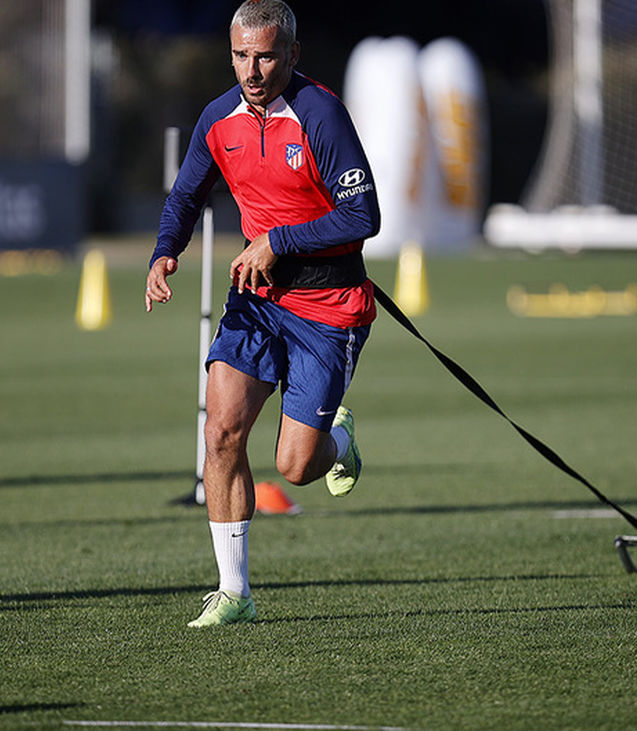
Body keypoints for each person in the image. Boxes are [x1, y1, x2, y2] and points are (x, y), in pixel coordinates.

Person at [145, 0, 380, 627]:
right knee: (220, 433)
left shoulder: (321, 113)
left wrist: (278, 239)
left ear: (292, 55)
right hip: (256, 300)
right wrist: (165, 253)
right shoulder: (217, 119)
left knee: (295, 467)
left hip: (328, 303)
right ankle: (234, 592)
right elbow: (186, 195)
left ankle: (337, 439)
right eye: (241, 55)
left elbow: (363, 217)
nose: (252, 69)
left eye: (266, 55)